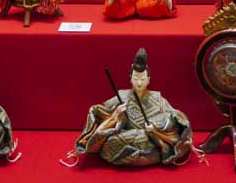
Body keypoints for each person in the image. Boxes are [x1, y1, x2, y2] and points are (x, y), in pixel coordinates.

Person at [63, 48, 194, 167]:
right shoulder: (121, 95)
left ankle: (141, 152)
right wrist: (115, 115)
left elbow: (175, 117)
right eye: (136, 78)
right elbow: (98, 111)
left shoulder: (158, 98)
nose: (139, 83)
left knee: (149, 137)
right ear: (130, 78)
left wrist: (155, 129)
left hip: (149, 138)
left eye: (143, 79)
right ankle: (140, 153)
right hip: (125, 138)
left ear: (149, 79)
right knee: (111, 141)